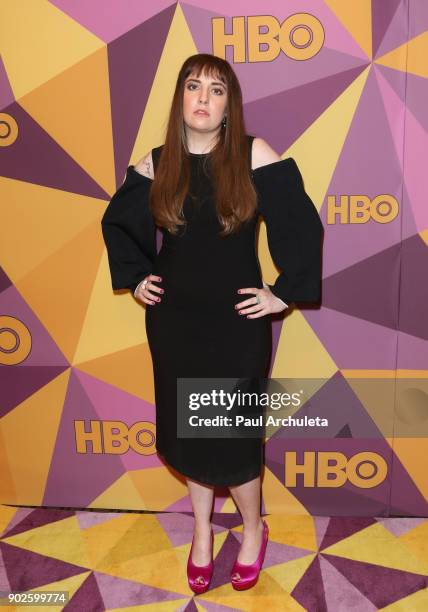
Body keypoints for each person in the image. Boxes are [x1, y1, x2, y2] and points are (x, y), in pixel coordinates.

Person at [101, 53, 323, 593]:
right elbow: (118, 224)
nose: (203, 98)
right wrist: (137, 278)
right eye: (194, 86)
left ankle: (252, 530)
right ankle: (201, 531)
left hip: (235, 326)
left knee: (232, 437)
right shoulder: (157, 164)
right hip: (175, 324)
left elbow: (301, 225)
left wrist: (283, 294)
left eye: (217, 90)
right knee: (190, 436)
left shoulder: (253, 155)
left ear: (230, 105)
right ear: (180, 97)